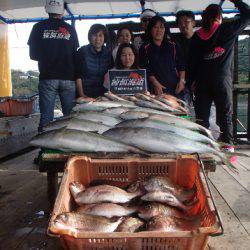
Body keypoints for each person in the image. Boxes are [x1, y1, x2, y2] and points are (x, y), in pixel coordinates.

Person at [188, 0, 250, 148]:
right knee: (225, 117)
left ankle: (203, 149)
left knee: (202, 119)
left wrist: (191, 83)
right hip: (222, 81)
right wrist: (235, 1)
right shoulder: (227, 29)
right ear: (219, 17)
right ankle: (228, 148)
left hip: (201, 82)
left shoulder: (197, 37)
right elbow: (248, 14)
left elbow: (191, 62)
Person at [28, 0, 79, 132]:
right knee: (70, 118)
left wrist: (48, 55)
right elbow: (75, 55)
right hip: (68, 78)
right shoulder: (70, 29)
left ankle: (45, 151)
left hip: (47, 77)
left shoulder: (38, 27)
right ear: (62, 11)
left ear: (47, 9)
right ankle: (70, 150)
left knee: (46, 118)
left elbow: (33, 55)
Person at [140, 16, 186, 98]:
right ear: (150, 29)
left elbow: (181, 64)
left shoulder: (173, 44)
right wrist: (155, 83)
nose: (159, 30)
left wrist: (182, 81)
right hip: (156, 89)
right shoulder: (145, 47)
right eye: (155, 27)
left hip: (176, 87)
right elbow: (144, 68)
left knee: (179, 110)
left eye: (161, 27)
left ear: (165, 29)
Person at [75, 24, 113, 99]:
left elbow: (111, 75)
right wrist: (82, 94)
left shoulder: (108, 53)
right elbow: (77, 75)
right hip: (85, 93)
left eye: (100, 35)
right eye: (95, 35)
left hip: (103, 95)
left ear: (104, 37)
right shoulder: (82, 51)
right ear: (90, 37)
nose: (97, 38)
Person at [175, 10, 195, 104]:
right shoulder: (175, 43)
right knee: (184, 113)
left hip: (199, 83)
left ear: (193, 23)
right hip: (180, 84)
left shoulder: (202, 40)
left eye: (186, 22)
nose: (183, 25)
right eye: (180, 23)